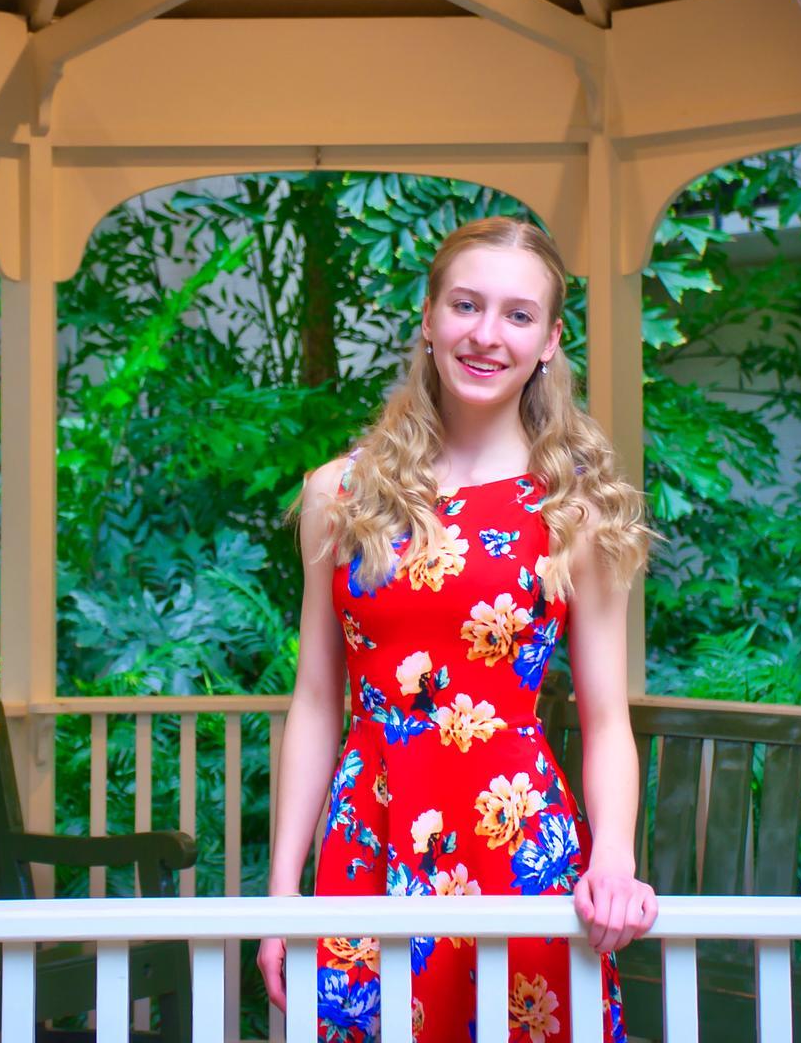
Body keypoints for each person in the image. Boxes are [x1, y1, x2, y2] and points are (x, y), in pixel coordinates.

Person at [257, 216, 662, 1043]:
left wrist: (612, 860)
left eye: (517, 315)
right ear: (430, 320)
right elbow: (312, 704)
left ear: (551, 340)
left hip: (516, 843)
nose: (486, 335)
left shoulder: (575, 512)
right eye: (466, 306)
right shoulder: (343, 495)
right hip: (369, 837)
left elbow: (606, 718)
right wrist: (281, 898)